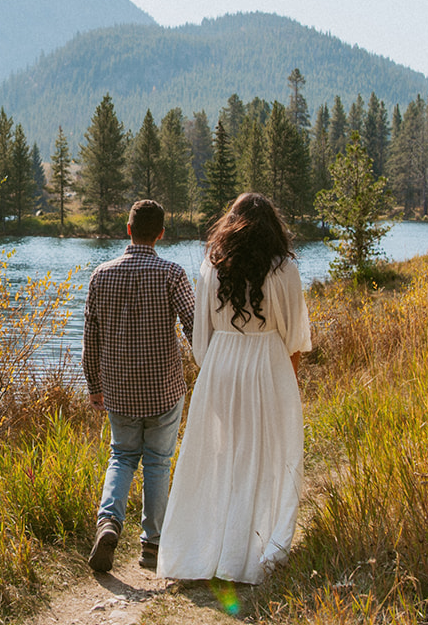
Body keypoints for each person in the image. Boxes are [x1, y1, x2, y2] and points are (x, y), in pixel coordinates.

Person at [157, 192, 312, 584]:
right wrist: (285, 383)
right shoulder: (283, 269)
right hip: (268, 366)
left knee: (219, 457)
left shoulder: (213, 266)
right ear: (273, 228)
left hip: (221, 366)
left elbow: (200, 335)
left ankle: (206, 550)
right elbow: (294, 337)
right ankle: (250, 552)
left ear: (231, 223)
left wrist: (214, 371)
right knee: (265, 458)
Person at [81, 198, 195, 573]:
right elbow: (195, 325)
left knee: (121, 456)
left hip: (118, 389)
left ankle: (109, 523)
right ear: (160, 234)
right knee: (158, 462)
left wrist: (94, 384)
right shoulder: (173, 274)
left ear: (127, 230)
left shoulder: (101, 274)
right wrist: (211, 365)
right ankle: (152, 545)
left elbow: (91, 337)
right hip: (163, 387)